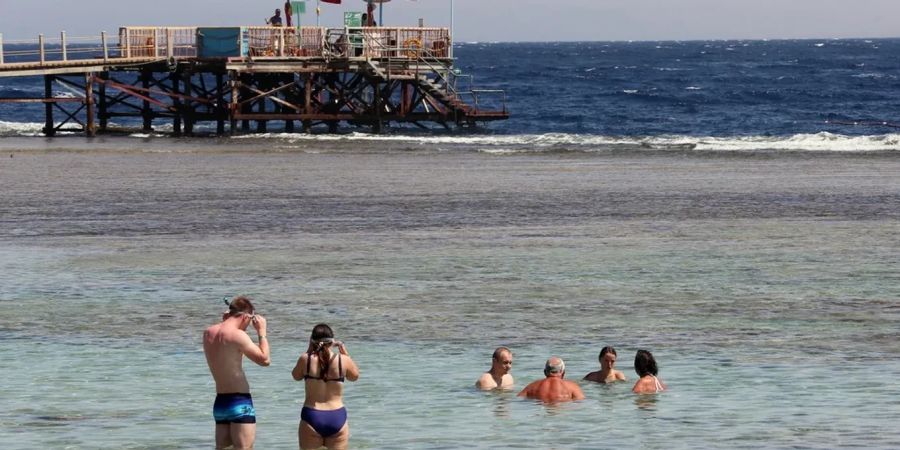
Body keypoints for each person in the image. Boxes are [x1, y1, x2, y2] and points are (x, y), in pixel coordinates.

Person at [203, 296, 271, 450]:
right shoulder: (238, 336)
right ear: (246, 316)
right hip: (239, 402)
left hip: (220, 403)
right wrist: (262, 332)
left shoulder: (208, 333)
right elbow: (265, 360)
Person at [292, 324, 360, 450]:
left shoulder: (305, 359)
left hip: (312, 415)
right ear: (332, 341)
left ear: (312, 341)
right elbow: (354, 377)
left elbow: (296, 376)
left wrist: (308, 351)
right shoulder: (343, 360)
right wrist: (346, 355)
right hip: (336, 416)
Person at [517, 357, 585, 403]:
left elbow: (518, 399)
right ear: (563, 372)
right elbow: (581, 402)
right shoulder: (572, 387)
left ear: (545, 372)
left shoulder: (532, 387)